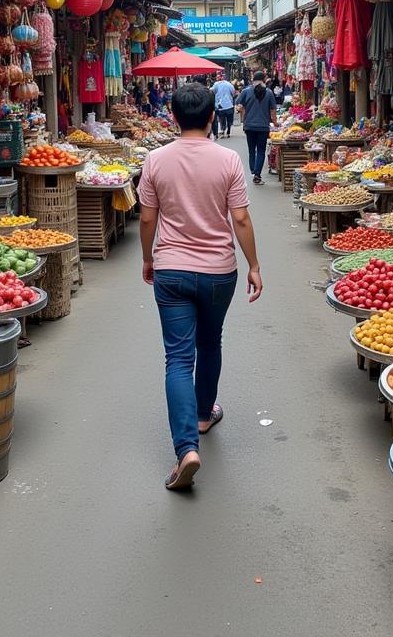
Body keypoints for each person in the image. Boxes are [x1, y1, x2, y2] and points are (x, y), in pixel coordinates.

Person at [139, 83, 263, 490]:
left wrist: (148, 259)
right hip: (218, 271)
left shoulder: (155, 160)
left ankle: (186, 449)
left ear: (173, 117)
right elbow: (240, 219)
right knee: (210, 343)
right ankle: (205, 416)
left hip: (171, 271)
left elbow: (146, 219)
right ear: (213, 116)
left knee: (178, 359)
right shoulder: (228, 159)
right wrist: (254, 265)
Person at [236, 71, 278, 184]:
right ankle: (257, 175)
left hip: (249, 126)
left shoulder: (245, 91)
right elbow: (273, 110)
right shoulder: (269, 93)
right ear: (263, 80)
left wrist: (241, 110)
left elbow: (238, 105)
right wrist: (275, 122)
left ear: (253, 79)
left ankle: (253, 170)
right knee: (260, 151)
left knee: (251, 150)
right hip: (263, 127)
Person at [210, 73, 236, 139]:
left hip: (220, 105)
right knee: (229, 119)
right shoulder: (229, 84)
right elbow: (233, 92)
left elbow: (212, 91)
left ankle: (223, 130)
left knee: (222, 118)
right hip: (229, 105)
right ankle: (228, 131)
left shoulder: (216, 84)